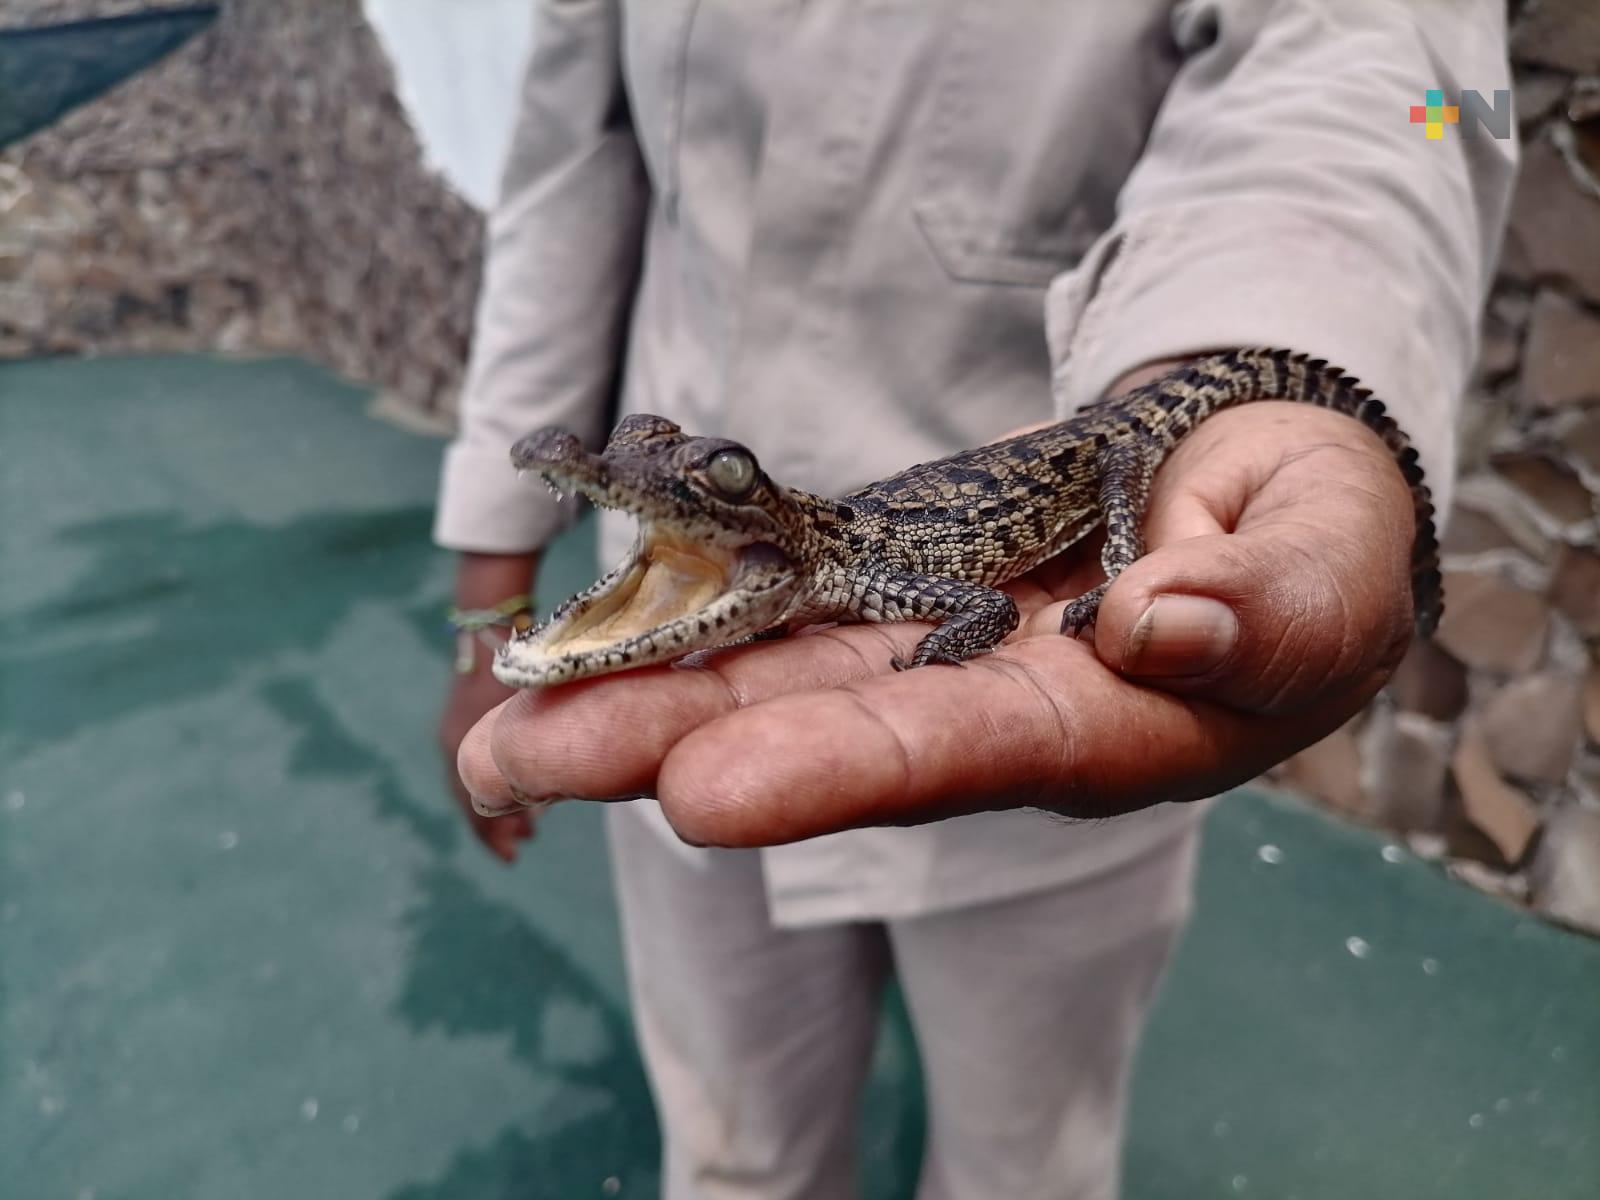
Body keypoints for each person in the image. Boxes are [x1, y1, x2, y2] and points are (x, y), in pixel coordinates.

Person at [436, 2, 1515, 1196]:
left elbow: (995, 613)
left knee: (1026, 1169)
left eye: (710, 478)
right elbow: (564, 172)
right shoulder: (795, 565)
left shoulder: (854, 574)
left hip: (1067, 629)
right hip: (698, 722)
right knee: (734, 1153)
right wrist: (489, 593)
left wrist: (1127, 540)